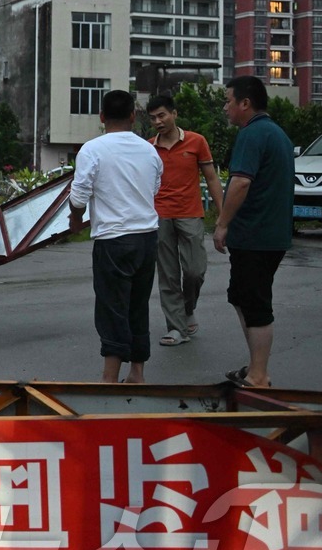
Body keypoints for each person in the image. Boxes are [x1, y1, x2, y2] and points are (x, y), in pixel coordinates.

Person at [69, 90, 163, 384]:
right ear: (134, 117)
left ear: (101, 117)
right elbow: (156, 188)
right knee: (138, 305)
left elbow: (79, 194)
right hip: (147, 238)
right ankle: (137, 373)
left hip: (113, 240)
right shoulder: (150, 150)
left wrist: (75, 219)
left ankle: (109, 380)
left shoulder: (93, 149)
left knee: (112, 307)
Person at [213, 75, 294, 389]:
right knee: (243, 298)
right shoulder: (278, 135)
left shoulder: (251, 134)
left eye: (229, 100)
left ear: (245, 103)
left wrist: (222, 224)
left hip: (256, 236)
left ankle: (259, 375)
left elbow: (240, 182)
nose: (225, 107)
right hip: (269, 234)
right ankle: (255, 367)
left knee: (256, 303)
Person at [147, 95, 225, 347]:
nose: (158, 121)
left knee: (194, 271)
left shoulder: (196, 141)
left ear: (174, 114)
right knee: (168, 275)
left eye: (162, 115)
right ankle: (176, 328)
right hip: (159, 215)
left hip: (190, 212)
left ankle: (186, 308)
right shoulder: (148, 147)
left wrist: (223, 214)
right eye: (153, 118)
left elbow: (212, 178)